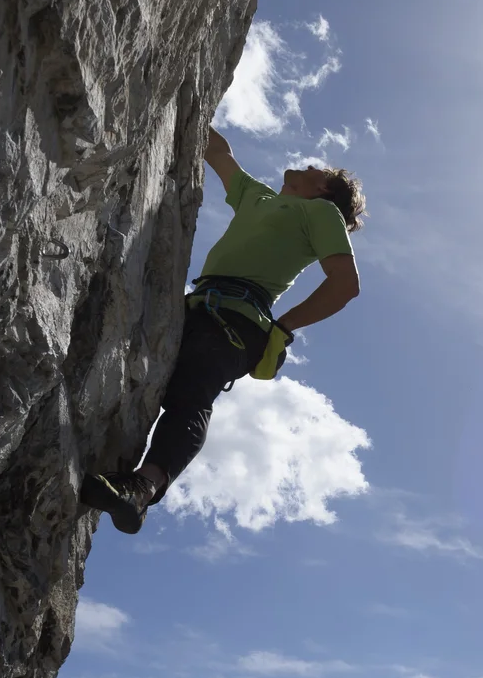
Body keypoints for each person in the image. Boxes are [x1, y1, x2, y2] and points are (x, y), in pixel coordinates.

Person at [80, 127, 364, 533]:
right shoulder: (258, 196)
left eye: (320, 170)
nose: (311, 164)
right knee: (146, 379)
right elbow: (217, 150)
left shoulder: (320, 213)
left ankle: (142, 488)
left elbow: (345, 284)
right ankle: (120, 475)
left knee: (192, 393)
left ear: (322, 190)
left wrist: (283, 327)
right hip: (193, 307)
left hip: (239, 321)